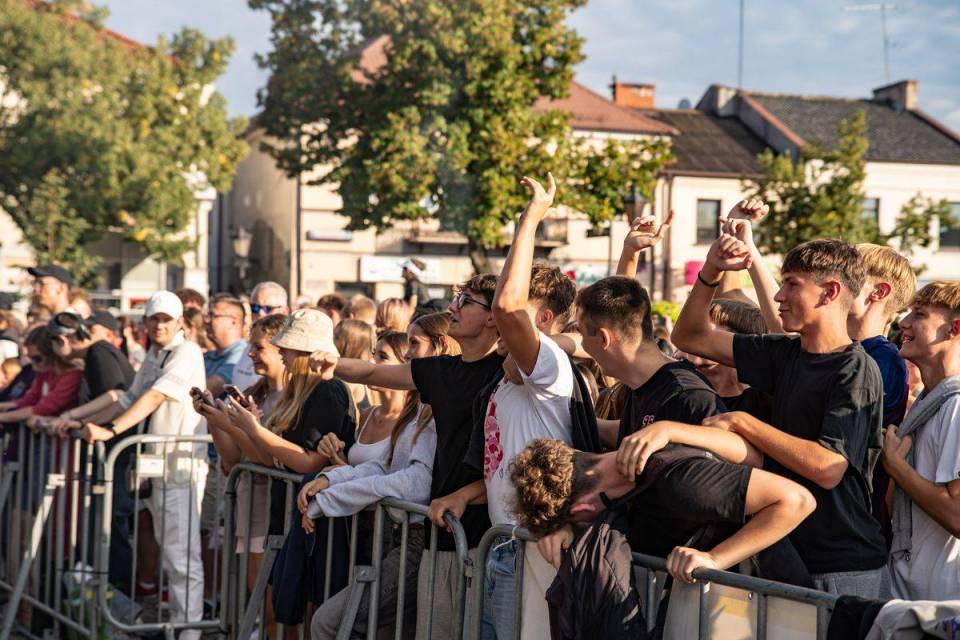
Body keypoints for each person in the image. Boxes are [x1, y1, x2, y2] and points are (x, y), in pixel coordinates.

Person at [672, 233, 889, 598]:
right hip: (786, 557)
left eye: (792, 285)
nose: (778, 296)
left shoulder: (856, 370)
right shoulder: (783, 353)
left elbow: (828, 466)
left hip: (841, 568)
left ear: (830, 292)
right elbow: (690, 337)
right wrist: (711, 271)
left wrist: (743, 423)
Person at [309, 275, 504, 639]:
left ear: (495, 316)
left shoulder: (509, 371)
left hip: (488, 539)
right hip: (441, 534)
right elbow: (374, 372)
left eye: (465, 301)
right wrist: (333, 364)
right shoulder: (441, 371)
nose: (453, 307)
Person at [429, 174, 578, 640]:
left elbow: (509, 308)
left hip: (534, 547)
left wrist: (530, 220)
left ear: (545, 320)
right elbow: (504, 464)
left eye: (507, 303)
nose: (497, 311)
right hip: (502, 544)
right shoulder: (507, 379)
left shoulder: (549, 364)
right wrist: (465, 495)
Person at [71, 291, 208, 640]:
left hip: (180, 467)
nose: (160, 325)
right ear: (145, 322)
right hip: (156, 468)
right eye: (154, 319)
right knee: (170, 553)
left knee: (182, 557)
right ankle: (179, 627)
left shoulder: (187, 351)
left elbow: (155, 396)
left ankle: (188, 633)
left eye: (166, 319)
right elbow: (129, 398)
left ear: (180, 322)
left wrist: (110, 430)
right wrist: (81, 423)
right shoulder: (154, 354)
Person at [303, 325, 447, 639]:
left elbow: (416, 482)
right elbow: (383, 467)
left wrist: (333, 495)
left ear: (440, 347)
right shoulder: (418, 411)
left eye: (414, 344)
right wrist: (330, 480)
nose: (408, 355)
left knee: (330, 623)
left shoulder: (434, 412)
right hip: (391, 535)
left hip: (420, 540)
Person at [511, 437, 815, 583]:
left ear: (582, 506)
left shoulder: (679, 482)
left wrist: (715, 558)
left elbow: (797, 501)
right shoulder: (627, 472)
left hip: (781, 611)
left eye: (578, 519)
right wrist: (565, 527)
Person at [221, 308, 357, 627]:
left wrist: (253, 429)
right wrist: (235, 425)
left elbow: (310, 461)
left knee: (310, 613)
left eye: (288, 346)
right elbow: (272, 459)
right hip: (288, 515)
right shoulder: (298, 390)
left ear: (306, 351)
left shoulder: (328, 389)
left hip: (317, 522)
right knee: (282, 609)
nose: (281, 351)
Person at [193, 313, 286, 637]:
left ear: (281, 349)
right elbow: (233, 459)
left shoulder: (292, 399)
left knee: (275, 609)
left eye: (258, 347)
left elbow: (269, 458)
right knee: (260, 602)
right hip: (251, 509)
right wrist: (213, 419)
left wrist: (234, 426)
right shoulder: (255, 392)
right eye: (250, 346)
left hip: (276, 512)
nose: (250, 354)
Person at [46, 312, 136, 592]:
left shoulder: (99, 351)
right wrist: (82, 422)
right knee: (104, 521)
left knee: (111, 522)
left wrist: (74, 417)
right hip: (111, 450)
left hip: (117, 453)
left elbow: (116, 396)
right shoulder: (96, 353)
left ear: (63, 340)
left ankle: (120, 590)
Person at [883, 282, 960, 600]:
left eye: (919, 314)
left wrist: (896, 468)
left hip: (943, 603)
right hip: (912, 593)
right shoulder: (929, 403)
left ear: (954, 329)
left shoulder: (956, 405)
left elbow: (957, 514)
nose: (904, 323)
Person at [0, 325, 82, 424]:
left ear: (52, 354)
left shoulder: (73, 376)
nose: (33, 365)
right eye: (31, 358)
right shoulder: (44, 372)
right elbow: (28, 401)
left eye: (37, 359)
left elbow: (41, 409)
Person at [231, 281, 291, 391]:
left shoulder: (290, 352)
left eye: (268, 308)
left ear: (285, 311)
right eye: (255, 308)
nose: (260, 313)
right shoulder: (248, 347)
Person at [334, 319, 375, 409]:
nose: (331, 339)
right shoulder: (365, 373)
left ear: (351, 345)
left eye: (336, 337)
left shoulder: (348, 379)